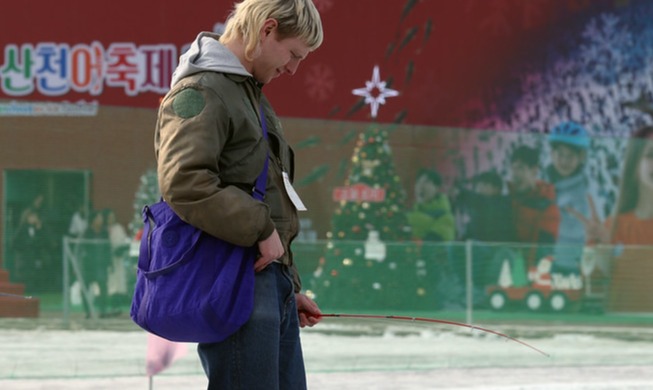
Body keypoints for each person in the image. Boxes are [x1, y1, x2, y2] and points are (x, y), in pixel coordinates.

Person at [153, 1, 323, 388]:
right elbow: (184, 182)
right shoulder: (202, 89)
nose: (294, 68)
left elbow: (265, 193)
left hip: (264, 284)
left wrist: (285, 286)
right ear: (267, 29)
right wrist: (262, 231)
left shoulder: (248, 94)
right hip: (233, 282)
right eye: (293, 53)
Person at [571, 126, 653, 312]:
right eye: (651, 155)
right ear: (634, 166)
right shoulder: (613, 227)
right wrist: (597, 247)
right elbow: (591, 291)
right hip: (622, 335)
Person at [543, 121, 591, 274]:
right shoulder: (544, 180)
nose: (564, 161)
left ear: (581, 157)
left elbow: (578, 229)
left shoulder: (584, 191)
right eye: (560, 154)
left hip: (569, 266)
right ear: (552, 154)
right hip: (542, 262)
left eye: (570, 156)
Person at [508, 145, 561, 268]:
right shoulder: (508, 200)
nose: (515, 174)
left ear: (534, 171)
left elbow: (544, 251)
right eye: (513, 168)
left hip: (528, 275)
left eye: (521, 168)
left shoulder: (546, 206)